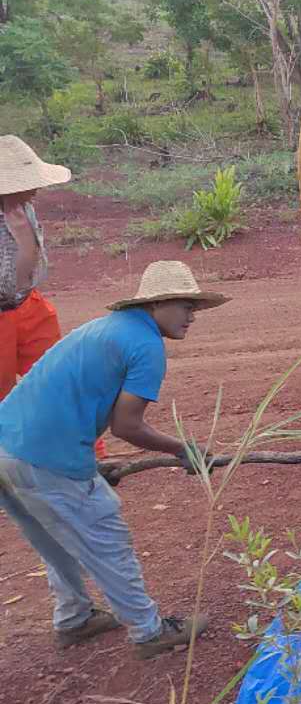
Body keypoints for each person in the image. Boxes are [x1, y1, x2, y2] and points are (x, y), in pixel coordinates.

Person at [0, 260, 221, 656]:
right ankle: (150, 633)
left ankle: (74, 619)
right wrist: (182, 448)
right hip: (45, 455)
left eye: (195, 306)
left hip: (7, 445)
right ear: (157, 304)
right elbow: (127, 426)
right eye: (185, 305)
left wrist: (89, 463)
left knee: (54, 536)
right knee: (107, 535)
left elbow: (74, 399)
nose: (192, 315)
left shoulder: (108, 328)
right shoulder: (146, 344)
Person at [1, 136, 72, 403]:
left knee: (58, 384)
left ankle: (81, 445)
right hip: (5, 311)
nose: (36, 188)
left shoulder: (24, 209)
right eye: (28, 183)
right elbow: (11, 282)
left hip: (28, 306)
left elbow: (29, 275)